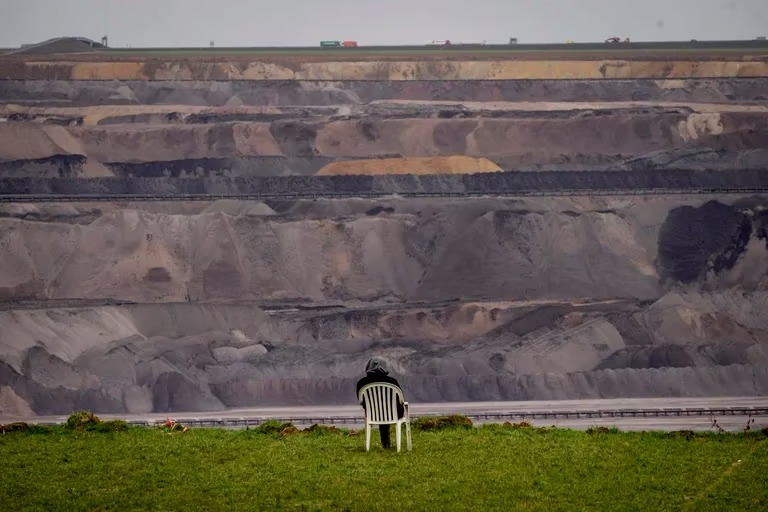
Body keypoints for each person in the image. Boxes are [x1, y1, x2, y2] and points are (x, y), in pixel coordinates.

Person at [355, 356, 405, 449]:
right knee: (388, 411)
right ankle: (386, 444)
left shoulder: (361, 383)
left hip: (372, 415)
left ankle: (385, 444)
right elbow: (400, 400)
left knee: (381, 412)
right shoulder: (392, 381)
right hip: (393, 414)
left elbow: (361, 402)